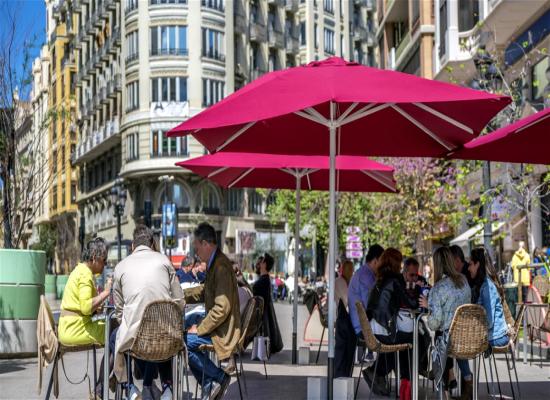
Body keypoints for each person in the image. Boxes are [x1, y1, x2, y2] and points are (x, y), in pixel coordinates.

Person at [111, 225, 184, 400]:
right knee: (163, 333)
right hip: (166, 338)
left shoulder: (120, 267)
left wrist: (130, 322)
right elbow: (180, 302)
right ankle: (167, 387)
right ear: (152, 243)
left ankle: (130, 388)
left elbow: (119, 311)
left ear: (132, 246)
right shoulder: (165, 261)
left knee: (115, 336)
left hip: (135, 340)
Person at [184, 223, 239, 399]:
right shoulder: (216, 262)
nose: (196, 252)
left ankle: (218, 377)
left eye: (197, 247)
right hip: (220, 327)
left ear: (206, 244)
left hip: (224, 332)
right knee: (186, 338)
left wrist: (199, 328)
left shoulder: (220, 267)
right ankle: (208, 386)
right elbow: (204, 291)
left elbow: (222, 308)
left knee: (185, 343)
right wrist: (181, 294)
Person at [58, 238, 111, 395]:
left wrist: (97, 306)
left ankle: (108, 380)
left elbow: (84, 305)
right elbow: (86, 307)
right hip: (75, 329)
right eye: (104, 260)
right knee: (117, 336)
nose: (105, 264)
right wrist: (106, 293)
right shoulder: (85, 274)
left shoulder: (80, 270)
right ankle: (102, 388)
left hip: (71, 326)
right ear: (94, 257)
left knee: (114, 333)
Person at [419, 247, 472, 400]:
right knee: (444, 336)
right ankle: (454, 381)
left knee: (439, 338)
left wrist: (430, 307)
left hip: (449, 342)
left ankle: (443, 390)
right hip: (466, 338)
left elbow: (434, 324)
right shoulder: (463, 280)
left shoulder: (438, 288)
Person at [364, 249, 418, 396]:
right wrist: (421, 296)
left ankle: (381, 372)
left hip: (373, 330)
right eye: (400, 262)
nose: (401, 266)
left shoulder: (380, 279)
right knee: (414, 338)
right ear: (395, 263)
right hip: (385, 332)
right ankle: (408, 378)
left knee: (405, 339)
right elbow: (411, 303)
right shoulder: (395, 279)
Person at [469, 247, 509, 347]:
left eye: (470, 264)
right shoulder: (483, 285)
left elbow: (489, 321)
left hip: (496, 337)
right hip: (492, 336)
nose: (468, 268)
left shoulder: (487, 287)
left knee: (457, 344)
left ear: (477, 264)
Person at [348, 244, 384, 336]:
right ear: (376, 261)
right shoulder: (366, 276)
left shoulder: (364, 272)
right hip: (362, 328)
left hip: (357, 324)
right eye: (382, 262)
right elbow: (370, 305)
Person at [252, 253, 284, 355]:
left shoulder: (263, 280)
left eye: (262, 261)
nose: (259, 262)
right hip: (265, 312)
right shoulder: (265, 279)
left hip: (262, 314)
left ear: (264, 264)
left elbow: (253, 290)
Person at [334, 260, 356, 378]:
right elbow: (348, 302)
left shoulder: (347, 281)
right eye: (350, 269)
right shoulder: (340, 282)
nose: (352, 272)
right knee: (350, 338)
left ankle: (344, 372)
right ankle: (343, 373)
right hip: (340, 318)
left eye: (352, 269)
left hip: (343, 318)